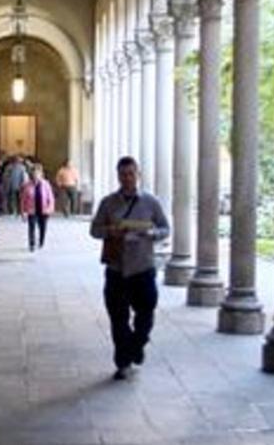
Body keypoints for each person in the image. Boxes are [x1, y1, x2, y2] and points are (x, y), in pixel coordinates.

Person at [90, 156, 170, 379]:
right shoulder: (108, 203)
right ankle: (123, 362)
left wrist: (152, 234)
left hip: (143, 268)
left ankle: (137, 344)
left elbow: (165, 228)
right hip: (117, 269)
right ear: (118, 176)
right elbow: (94, 230)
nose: (127, 178)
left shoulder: (151, 202)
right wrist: (110, 231)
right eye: (123, 174)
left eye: (131, 174)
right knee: (118, 318)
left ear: (138, 175)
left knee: (145, 314)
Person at [20, 163, 55, 251]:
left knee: (43, 228)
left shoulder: (46, 184)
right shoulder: (27, 185)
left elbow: (50, 197)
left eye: (37, 174)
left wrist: (50, 208)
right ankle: (31, 244)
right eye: (34, 173)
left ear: (41, 174)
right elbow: (23, 199)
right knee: (31, 227)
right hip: (32, 210)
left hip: (44, 210)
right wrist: (23, 212)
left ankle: (41, 241)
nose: (36, 175)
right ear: (32, 174)